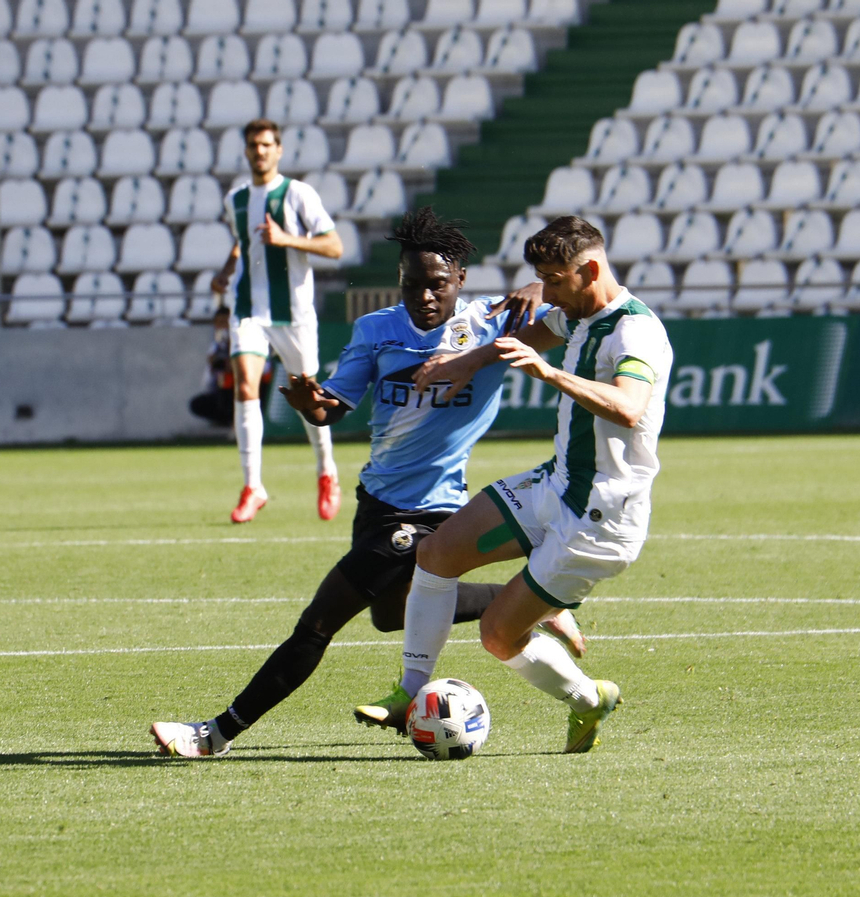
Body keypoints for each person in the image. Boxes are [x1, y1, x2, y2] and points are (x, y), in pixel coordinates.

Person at [149, 207, 578, 758]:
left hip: (429, 512)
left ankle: (214, 735)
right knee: (388, 614)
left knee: (318, 622)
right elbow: (333, 407)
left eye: (438, 285)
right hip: (375, 502)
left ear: (461, 282)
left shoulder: (494, 326)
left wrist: (535, 285)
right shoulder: (375, 331)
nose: (424, 297)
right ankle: (532, 602)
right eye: (412, 285)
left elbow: (577, 304)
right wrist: (312, 404)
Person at [354, 216, 673, 754]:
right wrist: (468, 359)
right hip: (557, 483)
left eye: (554, 280)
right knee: (435, 554)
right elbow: (537, 332)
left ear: (589, 269)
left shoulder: (634, 330)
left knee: (498, 636)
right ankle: (409, 694)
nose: (546, 293)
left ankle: (588, 697)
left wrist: (547, 374)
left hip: (600, 518)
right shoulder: (579, 311)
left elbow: (628, 407)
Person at [224, 118, 343, 524]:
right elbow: (243, 244)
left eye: (266, 145)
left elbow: (334, 246)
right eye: (253, 145)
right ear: (246, 151)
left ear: (278, 150)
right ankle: (252, 485)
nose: (259, 151)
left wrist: (287, 239)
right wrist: (227, 269)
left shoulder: (298, 194)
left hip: (292, 312)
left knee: (307, 396)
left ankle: (327, 471)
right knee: (245, 384)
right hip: (246, 306)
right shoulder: (235, 199)